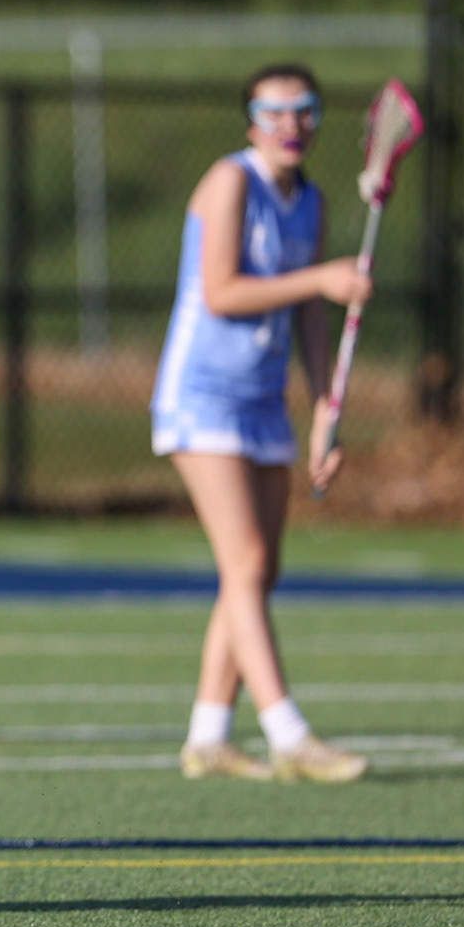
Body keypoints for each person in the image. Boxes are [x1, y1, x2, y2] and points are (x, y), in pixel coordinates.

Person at [153, 63, 372, 784]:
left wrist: (323, 411)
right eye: (273, 111)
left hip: (264, 399)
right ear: (250, 121)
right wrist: (321, 278)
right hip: (202, 395)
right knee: (244, 562)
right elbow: (220, 291)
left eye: (304, 110)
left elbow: (310, 314)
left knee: (257, 570)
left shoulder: (310, 202)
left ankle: (209, 736)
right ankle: (289, 732)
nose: (291, 124)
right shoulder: (231, 181)